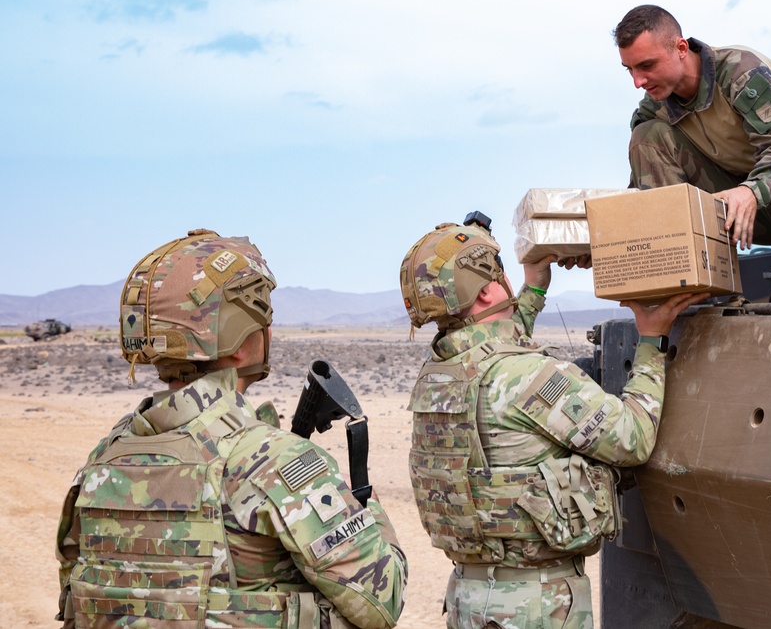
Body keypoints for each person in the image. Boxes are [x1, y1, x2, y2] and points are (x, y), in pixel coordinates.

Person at [55, 229, 407, 629]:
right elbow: (383, 601)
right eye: (262, 318)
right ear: (241, 342)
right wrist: (365, 503)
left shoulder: (103, 460)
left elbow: (75, 598)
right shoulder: (275, 461)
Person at [399, 217, 708, 628]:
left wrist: (535, 286)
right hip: (536, 605)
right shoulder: (529, 377)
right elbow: (633, 439)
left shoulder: (439, 373)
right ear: (490, 289)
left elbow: (494, 351)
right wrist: (652, 339)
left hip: (469, 597)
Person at [613, 4, 771, 302]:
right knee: (646, 137)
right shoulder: (655, 105)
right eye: (629, 70)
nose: (637, 82)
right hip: (729, 211)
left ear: (681, 48)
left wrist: (750, 192)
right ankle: (691, 284)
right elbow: (644, 181)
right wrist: (609, 241)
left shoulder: (741, 72)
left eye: (646, 66)